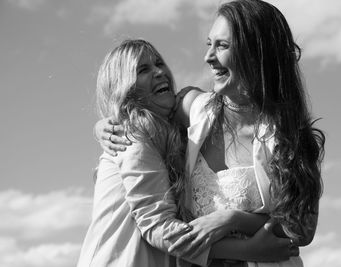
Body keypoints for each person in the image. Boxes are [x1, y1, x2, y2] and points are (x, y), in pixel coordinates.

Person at [95, 0, 325, 266]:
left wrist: (232, 220)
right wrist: (104, 126)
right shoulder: (194, 107)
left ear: (256, 54)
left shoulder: (289, 137)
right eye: (209, 44)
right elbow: (140, 109)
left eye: (222, 46)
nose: (208, 57)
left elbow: (302, 229)